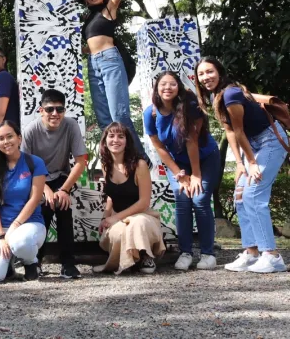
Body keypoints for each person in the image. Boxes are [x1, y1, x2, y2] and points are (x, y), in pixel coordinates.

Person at [195, 57, 288, 274]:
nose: (206, 77)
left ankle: (272, 256)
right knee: (240, 195)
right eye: (201, 74)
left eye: (210, 72)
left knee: (253, 194)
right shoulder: (216, 96)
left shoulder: (230, 94)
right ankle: (252, 252)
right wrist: (239, 163)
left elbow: (238, 130)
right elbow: (229, 131)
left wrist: (252, 162)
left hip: (270, 141)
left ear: (220, 72)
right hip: (252, 145)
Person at [144, 71, 220, 271]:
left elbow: (191, 141)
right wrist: (179, 173)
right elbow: (159, 147)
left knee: (200, 199)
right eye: (163, 84)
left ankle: (208, 254)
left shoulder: (190, 107)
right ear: (156, 88)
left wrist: (195, 175)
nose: (167, 88)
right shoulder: (150, 114)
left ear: (178, 88)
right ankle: (185, 252)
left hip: (204, 158)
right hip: (177, 162)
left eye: (172, 84)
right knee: (182, 198)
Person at [81, 0, 145, 155]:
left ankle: (141, 161)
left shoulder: (109, 9)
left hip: (110, 61)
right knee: (104, 120)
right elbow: (90, 45)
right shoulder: (87, 20)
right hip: (93, 64)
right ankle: (116, 162)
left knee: (120, 116)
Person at [21, 89, 87, 280]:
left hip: (61, 176)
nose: (55, 114)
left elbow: (81, 161)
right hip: (37, 177)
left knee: (64, 207)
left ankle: (68, 264)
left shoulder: (70, 125)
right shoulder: (31, 130)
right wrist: (46, 190)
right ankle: (35, 261)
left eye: (60, 109)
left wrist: (64, 190)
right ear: (41, 110)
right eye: (50, 109)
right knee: (44, 210)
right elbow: (26, 167)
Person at [0, 121, 48, 284]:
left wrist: (14, 226)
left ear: (19, 138)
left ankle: (30, 263)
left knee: (20, 242)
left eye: (9, 136)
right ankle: (8, 265)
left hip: (29, 224)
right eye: (1, 138)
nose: (6, 142)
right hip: (0, 227)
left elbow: (35, 199)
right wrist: (0, 236)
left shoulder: (34, 162)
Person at [93, 122, 165, 274]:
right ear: (105, 141)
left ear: (127, 141)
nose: (116, 140)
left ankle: (145, 255)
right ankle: (130, 260)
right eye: (111, 136)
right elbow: (111, 196)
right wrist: (105, 217)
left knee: (137, 223)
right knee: (120, 231)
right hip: (118, 219)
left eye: (121, 136)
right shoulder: (106, 165)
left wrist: (115, 217)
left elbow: (144, 202)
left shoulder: (140, 165)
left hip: (142, 216)